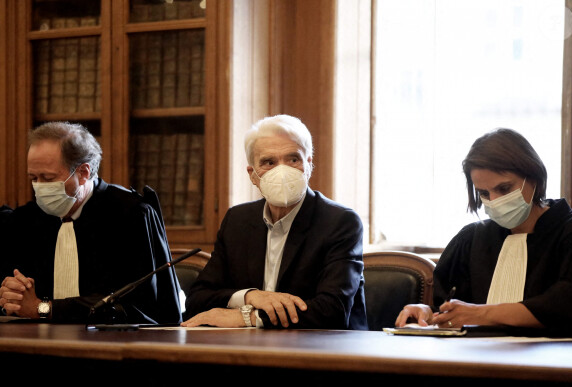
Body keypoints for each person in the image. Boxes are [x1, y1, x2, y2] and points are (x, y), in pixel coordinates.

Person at [182, 114, 367, 329]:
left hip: (324, 352)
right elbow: (198, 299)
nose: (282, 171)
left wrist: (249, 317)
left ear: (309, 165)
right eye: (269, 162)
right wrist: (250, 296)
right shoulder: (237, 221)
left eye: (293, 159)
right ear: (252, 175)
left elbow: (332, 311)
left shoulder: (340, 222)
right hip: (246, 349)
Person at [395, 128, 572, 332]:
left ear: (534, 178)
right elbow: (450, 308)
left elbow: (568, 305)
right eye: (484, 193)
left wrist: (480, 313)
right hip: (476, 358)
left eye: (504, 189)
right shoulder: (471, 239)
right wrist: (428, 313)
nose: (494, 201)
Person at [0, 121, 182, 324]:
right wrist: (11, 295)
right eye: (33, 178)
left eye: (48, 178)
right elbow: (15, 298)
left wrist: (43, 308)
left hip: (110, 347)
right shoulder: (27, 220)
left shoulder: (131, 215)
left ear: (83, 172)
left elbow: (139, 307)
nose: (39, 188)